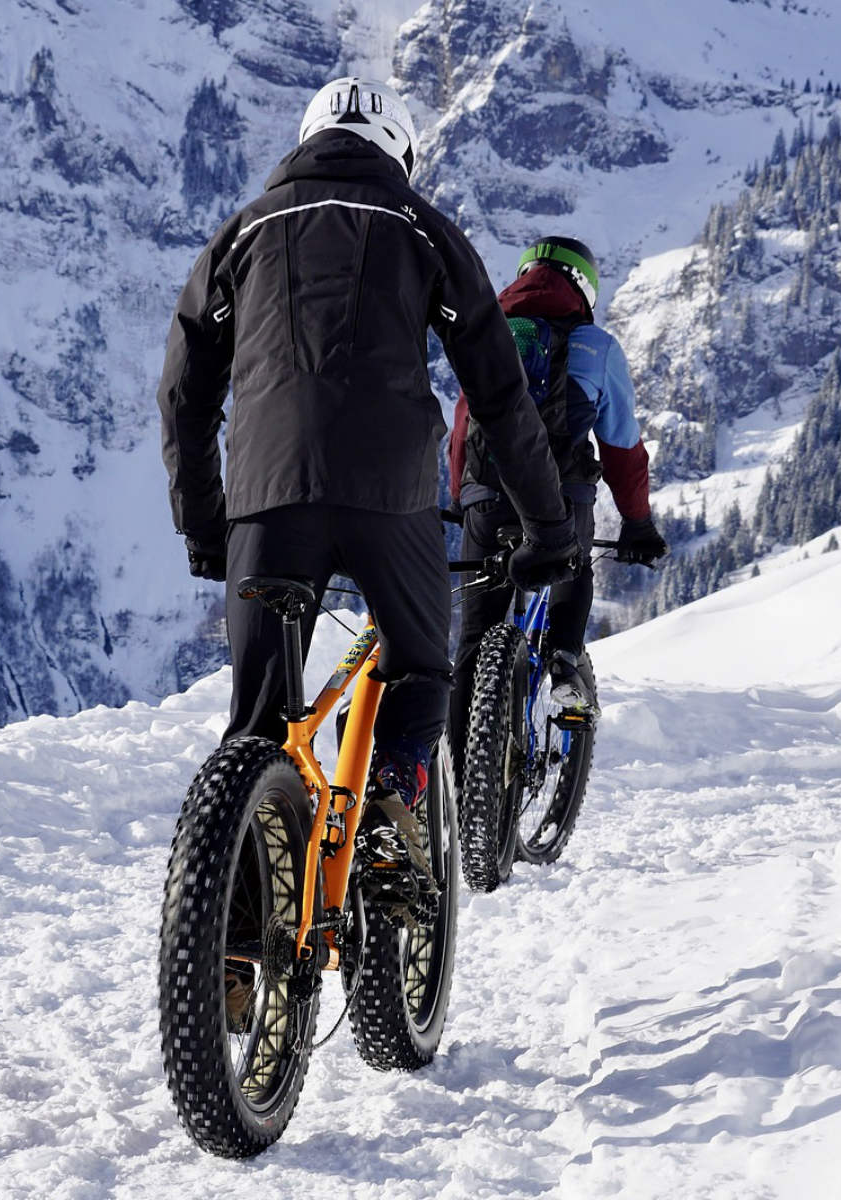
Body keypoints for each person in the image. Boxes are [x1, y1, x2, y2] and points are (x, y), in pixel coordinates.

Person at [157, 77, 578, 878]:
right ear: (401, 155)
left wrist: (207, 525)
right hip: (391, 497)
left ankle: (236, 952)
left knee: (257, 728)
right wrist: (550, 530)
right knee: (422, 666)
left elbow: (183, 394)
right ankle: (393, 798)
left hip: (266, 497)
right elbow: (499, 396)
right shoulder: (423, 229)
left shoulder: (240, 234)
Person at [447, 236, 669, 713]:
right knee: (574, 566)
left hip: (485, 495)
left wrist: (458, 498)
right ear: (585, 287)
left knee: (473, 640)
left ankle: (459, 774)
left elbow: (463, 427)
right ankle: (565, 660)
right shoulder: (596, 347)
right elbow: (622, 449)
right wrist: (637, 524)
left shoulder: (492, 335)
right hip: (563, 500)